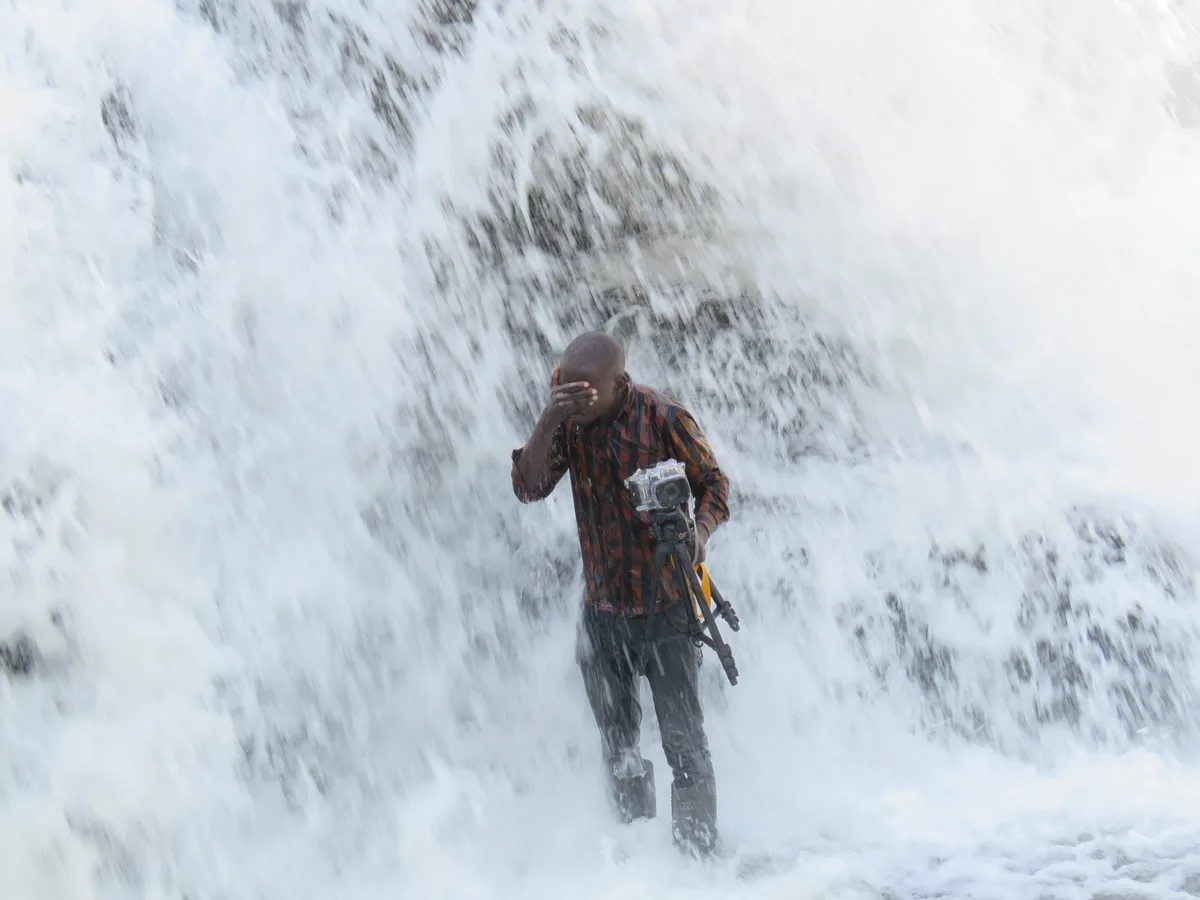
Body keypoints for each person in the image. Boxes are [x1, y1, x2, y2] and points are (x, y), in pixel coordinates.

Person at [509, 331, 731, 857]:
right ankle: (635, 868)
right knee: (618, 745)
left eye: (588, 393)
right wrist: (548, 418)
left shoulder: (663, 417)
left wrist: (699, 534)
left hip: (667, 608)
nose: (578, 401)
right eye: (568, 389)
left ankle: (699, 868)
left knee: (685, 745)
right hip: (603, 613)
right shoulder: (568, 422)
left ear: (618, 384)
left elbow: (716, 484)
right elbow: (527, 487)